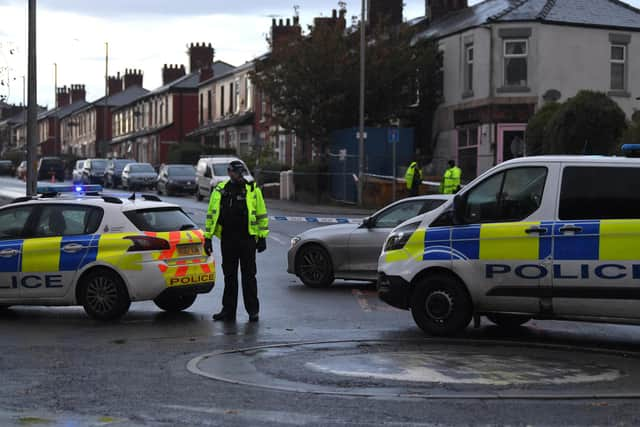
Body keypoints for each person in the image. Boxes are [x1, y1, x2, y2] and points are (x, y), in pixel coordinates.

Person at [204, 160, 269, 322]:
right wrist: (208, 238)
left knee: (249, 276)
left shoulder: (253, 190)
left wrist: (262, 237)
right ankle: (228, 311)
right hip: (228, 239)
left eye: (240, 172)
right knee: (229, 277)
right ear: (229, 172)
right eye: (234, 172)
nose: (237, 175)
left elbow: (261, 214)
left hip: (247, 239)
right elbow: (211, 215)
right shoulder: (220, 189)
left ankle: (253, 311)